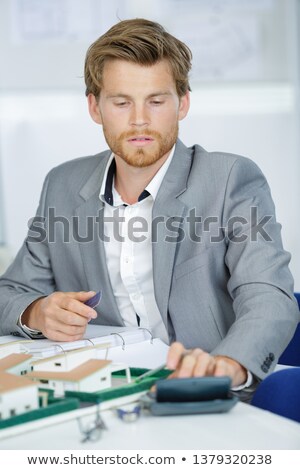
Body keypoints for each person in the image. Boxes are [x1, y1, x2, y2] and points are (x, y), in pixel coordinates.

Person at [0, 19, 298, 396]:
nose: (140, 119)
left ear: (182, 103)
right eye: (121, 102)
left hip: (205, 394)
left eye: (156, 101)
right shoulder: (62, 184)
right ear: (95, 107)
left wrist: (229, 365)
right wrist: (36, 311)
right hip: (104, 392)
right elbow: (9, 292)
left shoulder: (230, 179)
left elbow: (268, 296)